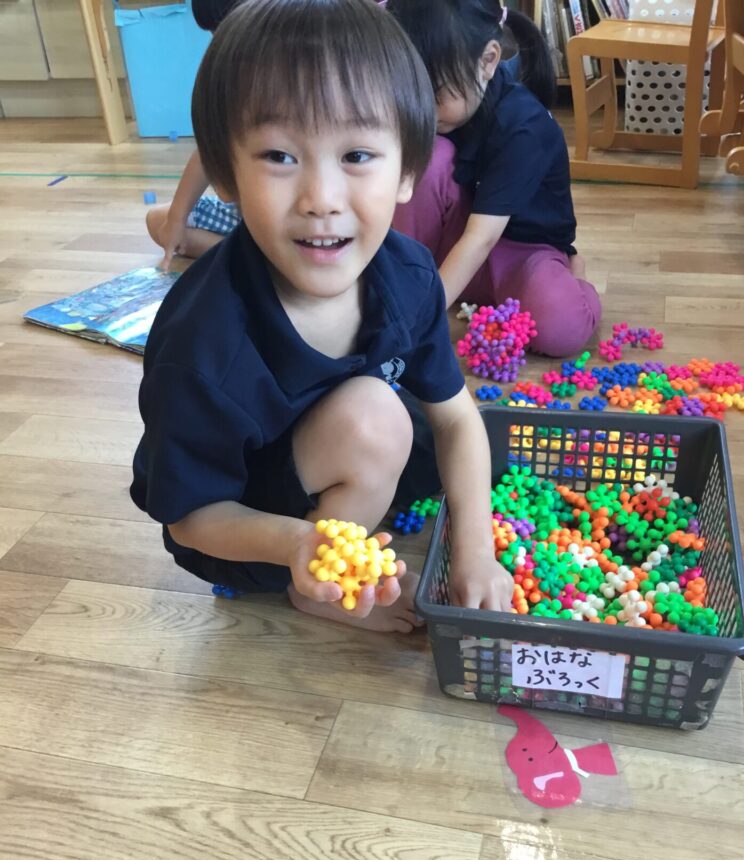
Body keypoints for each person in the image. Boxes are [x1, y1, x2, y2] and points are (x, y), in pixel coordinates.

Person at [131, 0, 515, 633]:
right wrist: (301, 548)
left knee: (457, 441)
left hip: (322, 450)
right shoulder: (202, 343)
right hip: (242, 530)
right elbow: (190, 519)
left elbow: (456, 419)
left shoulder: (408, 275)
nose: (321, 200)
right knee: (378, 417)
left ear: (408, 170)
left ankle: (350, 501)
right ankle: (314, 591)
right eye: (279, 156)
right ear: (225, 173)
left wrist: (477, 551)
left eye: (357, 155)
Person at [389, 0, 601, 357]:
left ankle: (575, 276)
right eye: (411, 94)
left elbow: (482, 238)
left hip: (523, 254)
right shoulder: (438, 114)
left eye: (435, 95)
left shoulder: (523, 126)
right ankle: (413, 282)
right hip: (456, 243)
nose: (422, 109)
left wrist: (421, 320)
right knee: (426, 160)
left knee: (561, 329)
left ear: (488, 61)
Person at [145, 0, 244, 271]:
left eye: (226, 30)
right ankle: (251, 257)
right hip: (242, 215)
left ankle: (259, 256)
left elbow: (224, 188)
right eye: (214, 33)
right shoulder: (226, 75)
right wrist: (176, 220)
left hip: (273, 215)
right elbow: (207, 153)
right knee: (158, 220)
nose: (220, 42)